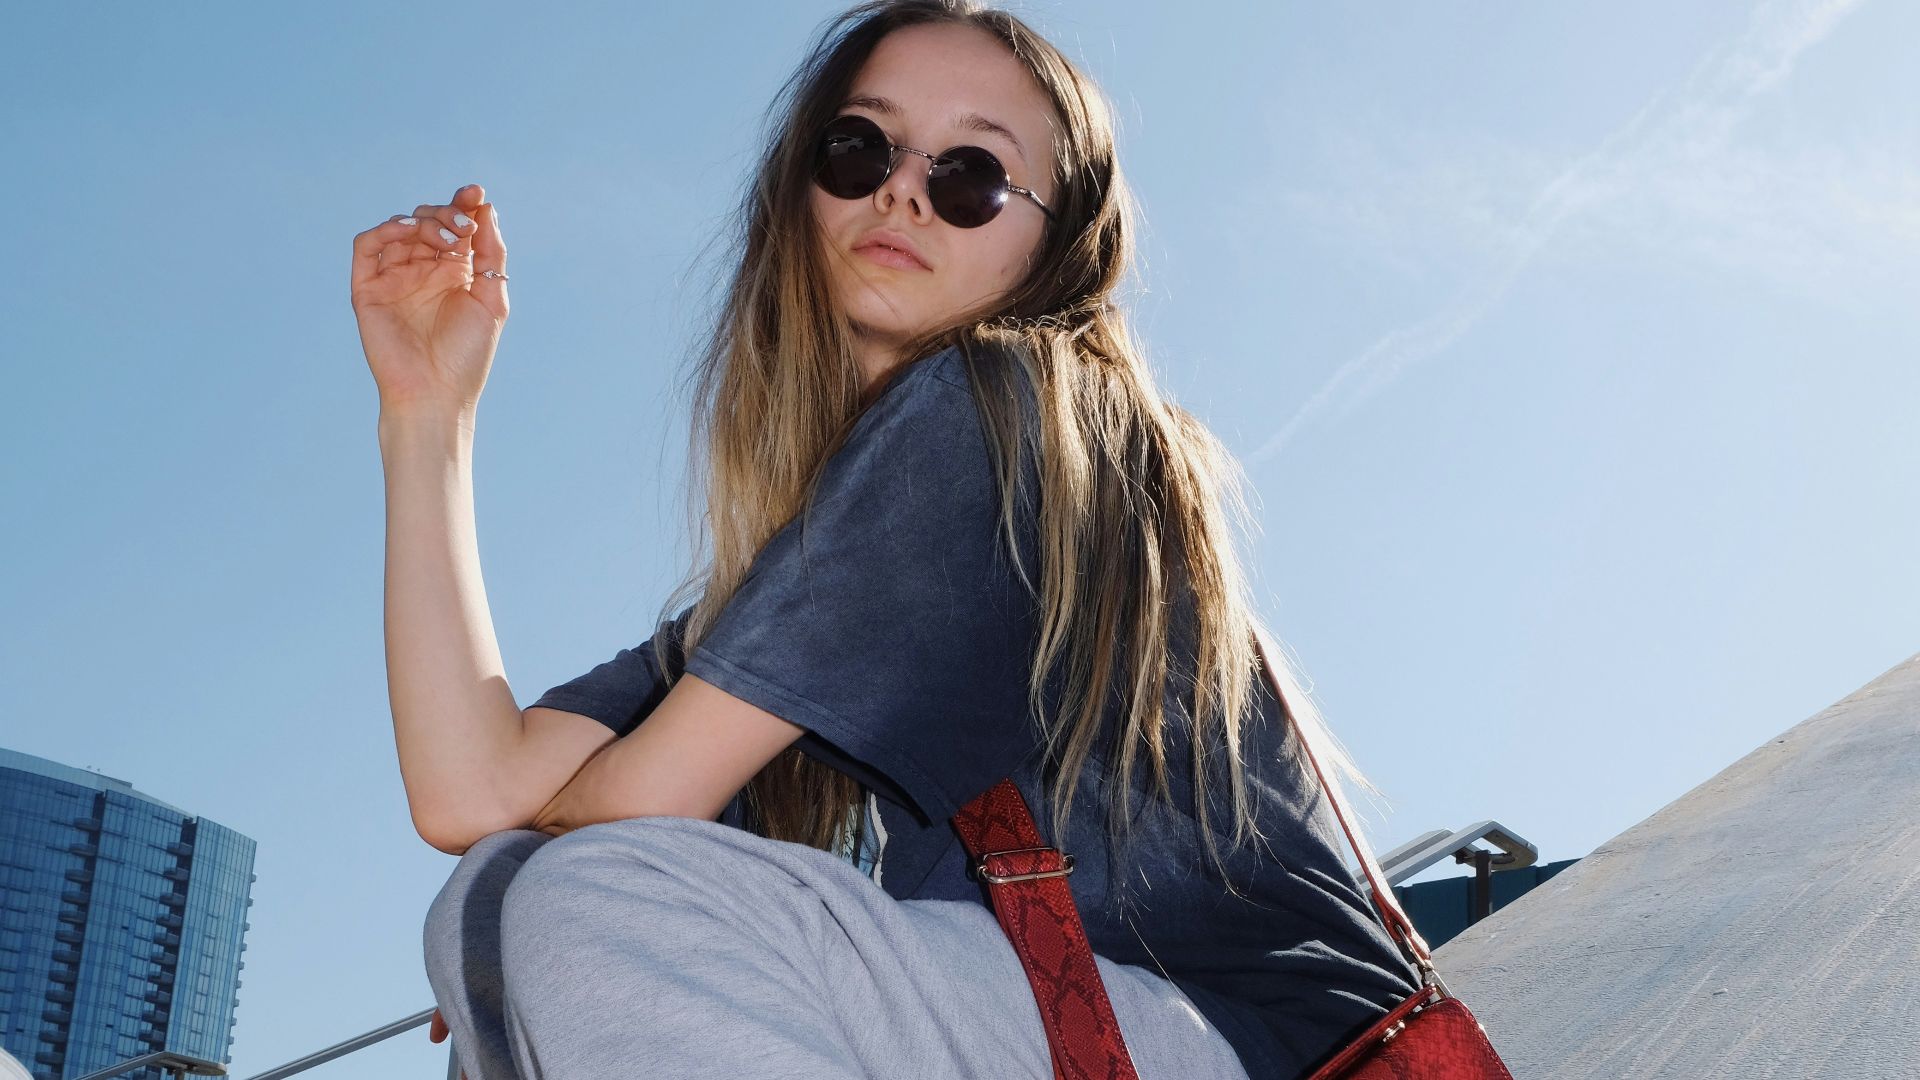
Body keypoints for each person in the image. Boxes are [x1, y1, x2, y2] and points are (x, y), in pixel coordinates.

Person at [349, 1, 1423, 1077]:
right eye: (860, 149)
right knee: (491, 903)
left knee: (567, 901)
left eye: (971, 176)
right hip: (1085, 1026)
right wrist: (426, 413)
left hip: (1251, 1047)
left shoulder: (1004, 410)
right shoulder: (798, 579)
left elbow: (628, 812)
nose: (904, 189)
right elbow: (470, 793)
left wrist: (530, 904)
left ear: (1059, 240)